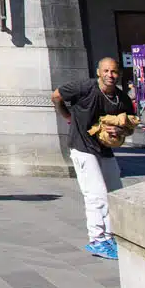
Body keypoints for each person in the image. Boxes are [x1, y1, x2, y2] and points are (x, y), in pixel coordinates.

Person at [54, 57, 135, 260]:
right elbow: (56, 95)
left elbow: (130, 126)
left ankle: (111, 236)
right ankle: (98, 240)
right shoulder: (84, 87)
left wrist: (119, 129)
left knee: (115, 193)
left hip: (105, 149)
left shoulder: (121, 99)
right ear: (99, 72)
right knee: (96, 195)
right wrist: (66, 116)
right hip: (82, 147)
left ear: (119, 75)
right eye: (106, 71)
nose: (110, 75)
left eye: (114, 72)